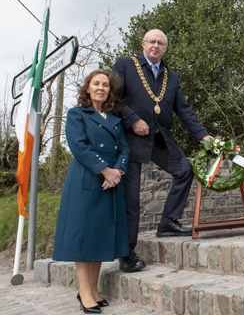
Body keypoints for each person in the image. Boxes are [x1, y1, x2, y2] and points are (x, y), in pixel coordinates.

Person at [112, 29, 212, 273]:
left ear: (165, 48)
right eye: (152, 42)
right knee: (131, 197)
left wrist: (203, 135)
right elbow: (114, 97)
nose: (156, 46)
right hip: (130, 138)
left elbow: (184, 110)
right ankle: (126, 254)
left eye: (161, 43)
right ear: (143, 44)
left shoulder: (172, 76)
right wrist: (133, 119)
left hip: (160, 137)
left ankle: (168, 221)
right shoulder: (125, 64)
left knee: (184, 169)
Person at [53, 70, 129, 314]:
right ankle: (84, 292)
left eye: (105, 85)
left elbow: (124, 150)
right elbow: (79, 147)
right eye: (96, 83)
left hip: (110, 181)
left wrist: (116, 172)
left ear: (109, 90)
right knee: (84, 237)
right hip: (87, 177)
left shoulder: (115, 118)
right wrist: (104, 170)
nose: (100, 88)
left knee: (98, 236)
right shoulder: (77, 114)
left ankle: (93, 290)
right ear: (88, 88)